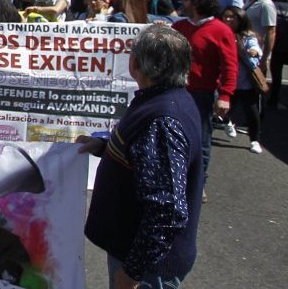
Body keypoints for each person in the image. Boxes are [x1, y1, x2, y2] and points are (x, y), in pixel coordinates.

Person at [78, 24, 204, 289]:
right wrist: (103, 145)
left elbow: (165, 211)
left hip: (148, 269)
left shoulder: (162, 120)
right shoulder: (167, 100)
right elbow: (144, 157)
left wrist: (132, 273)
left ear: (137, 64)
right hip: (140, 258)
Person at [172, 0, 237, 186]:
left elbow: (230, 65)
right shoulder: (180, 27)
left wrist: (225, 95)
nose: (183, 2)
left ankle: (198, 183)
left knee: (200, 140)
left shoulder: (220, 30)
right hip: (176, 90)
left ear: (197, 4)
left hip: (201, 94)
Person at [220, 7, 265, 154]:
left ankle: (255, 140)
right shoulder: (219, 33)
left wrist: (255, 51)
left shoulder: (248, 36)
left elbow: (255, 48)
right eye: (226, 17)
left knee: (252, 113)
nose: (228, 20)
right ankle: (227, 122)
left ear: (241, 19)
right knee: (221, 111)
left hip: (245, 83)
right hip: (226, 81)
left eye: (232, 17)